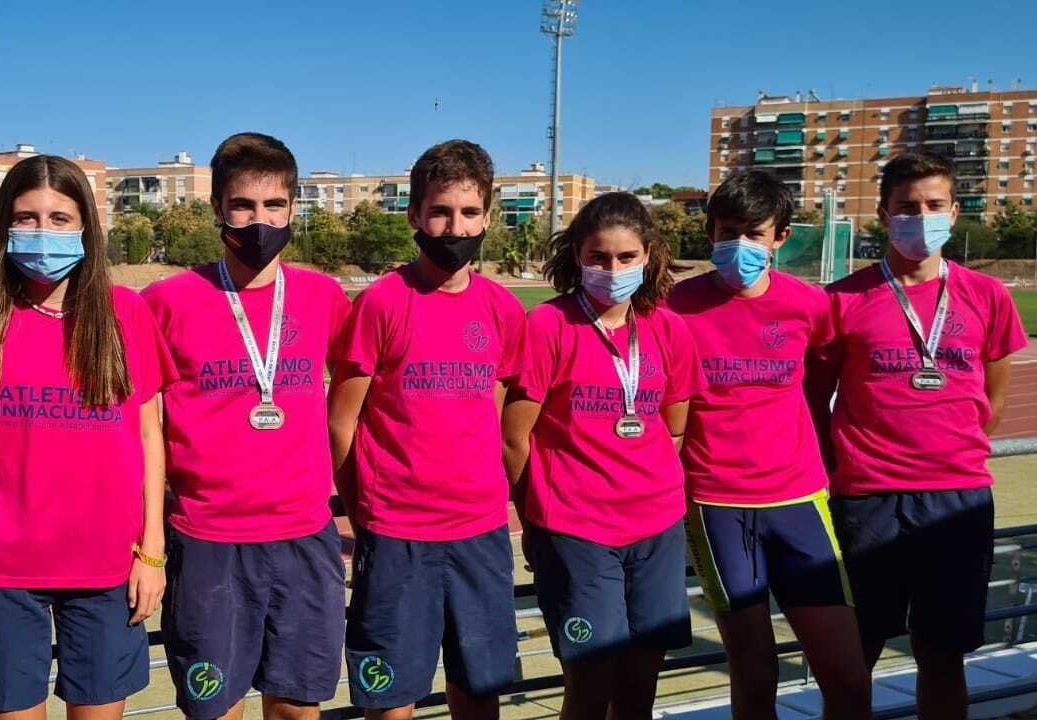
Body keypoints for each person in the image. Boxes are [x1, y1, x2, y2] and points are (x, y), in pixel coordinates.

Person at [0, 154, 175, 720]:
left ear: (87, 227)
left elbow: (149, 436)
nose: (43, 232)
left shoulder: (126, 314)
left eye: (59, 218)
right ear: (4, 227)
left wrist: (153, 551)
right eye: (26, 218)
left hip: (108, 571)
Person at [807, 151, 1026, 720]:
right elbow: (813, 399)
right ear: (884, 214)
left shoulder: (988, 295)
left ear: (954, 213)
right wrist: (843, 470)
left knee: (943, 656)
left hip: (957, 500)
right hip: (867, 500)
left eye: (933, 205)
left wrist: (948, 449)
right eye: (907, 207)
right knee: (855, 659)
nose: (920, 217)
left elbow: (994, 398)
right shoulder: (842, 299)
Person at [141, 132, 351, 720]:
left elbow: (360, 402)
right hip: (209, 542)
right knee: (216, 711)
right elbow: (143, 427)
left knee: (295, 708)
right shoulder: (168, 301)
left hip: (303, 537)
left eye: (274, 206)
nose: (260, 221)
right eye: (243, 206)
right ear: (216, 209)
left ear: (293, 208)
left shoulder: (324, 297)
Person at [327, 139, 523, 720]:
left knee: (479, 688)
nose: (453, 227)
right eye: (439, 212)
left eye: (467, 213)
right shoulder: (383, 303)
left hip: (480, 531)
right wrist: (367, 511)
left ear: (487, 217)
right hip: (397, 534)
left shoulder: (503, 309)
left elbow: (496, 416)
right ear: (414, 215)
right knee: (390, 699)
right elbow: (342, 423)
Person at [668, 171, 870, 720]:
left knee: (847, 677)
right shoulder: (674, 307)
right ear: (710, 232)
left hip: (799, 502)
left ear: (781, 237)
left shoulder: (809, 305)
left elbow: (822, 381)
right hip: (716, 507)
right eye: (728, 231)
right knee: (755, 674)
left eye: (755, 234)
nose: (741, 246)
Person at [502, 192, 699, 720]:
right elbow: (514, 437)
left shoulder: (668, 328)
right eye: (598, 257)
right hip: (576, 531)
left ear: (649, 256)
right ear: (577, 257)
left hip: (656, 527)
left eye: (626, 258)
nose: (612, 269)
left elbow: (674, 429)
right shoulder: (548, 325)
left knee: (640, 685)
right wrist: (537, 519)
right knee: (589, 686)